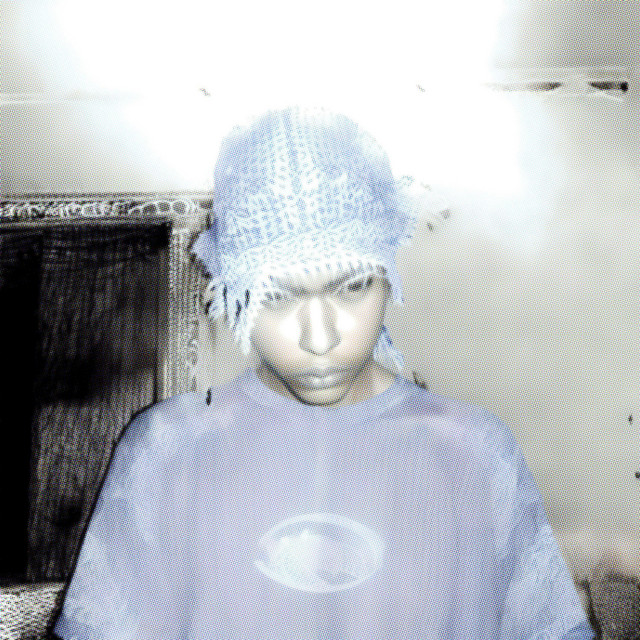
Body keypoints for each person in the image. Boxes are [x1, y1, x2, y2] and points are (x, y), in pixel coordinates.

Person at [53, 107, 595, 639]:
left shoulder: (475, 452)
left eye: (352, 286)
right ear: (232, 290)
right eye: (276, 296)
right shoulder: (170, 449)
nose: (319, 338)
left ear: (389, 272)